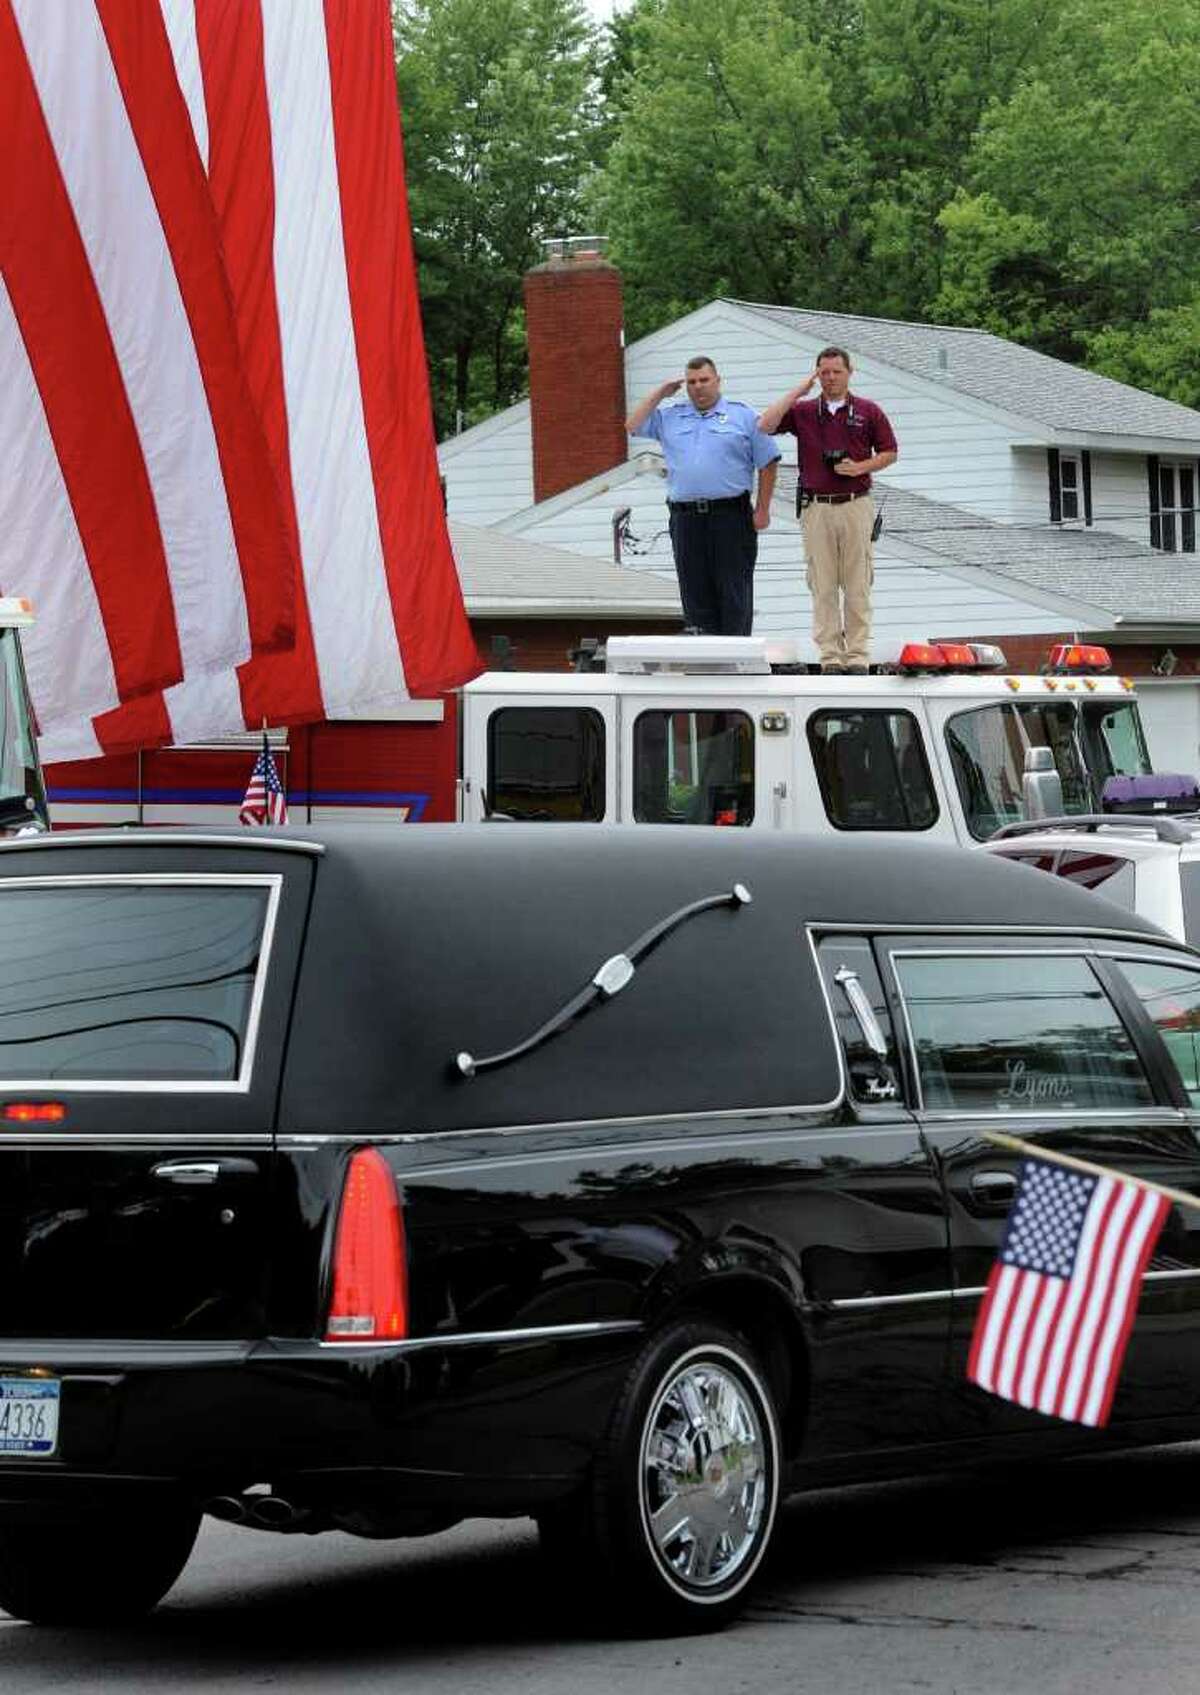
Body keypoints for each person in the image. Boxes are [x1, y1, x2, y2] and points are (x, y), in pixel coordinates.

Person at [759, 347, 898, 674]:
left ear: (850, 372)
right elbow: (765, 425)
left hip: (855, 503)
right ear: (816, 374)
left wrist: (861, 466)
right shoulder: (805, 411)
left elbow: (890, 452)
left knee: (857, 583)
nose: (831, 378)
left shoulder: (868, 410)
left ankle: (858, 656)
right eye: (824, 372)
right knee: (822, 584)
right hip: (817, 506)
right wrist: (799, 391)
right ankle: (831, 657)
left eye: (836, 371)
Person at [626, 357, 780, 636]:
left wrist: (763, 509)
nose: (698, 387)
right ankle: (703, 665)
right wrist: (662, 391)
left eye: (704, 380)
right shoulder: (672, 416)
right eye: (692, 382)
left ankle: (735, 663)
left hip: (730, 516)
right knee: (694, 593)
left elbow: (768, 461)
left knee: (733, 591)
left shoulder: (743, 416)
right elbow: (632, 424)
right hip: (686, 518)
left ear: (717, 381)